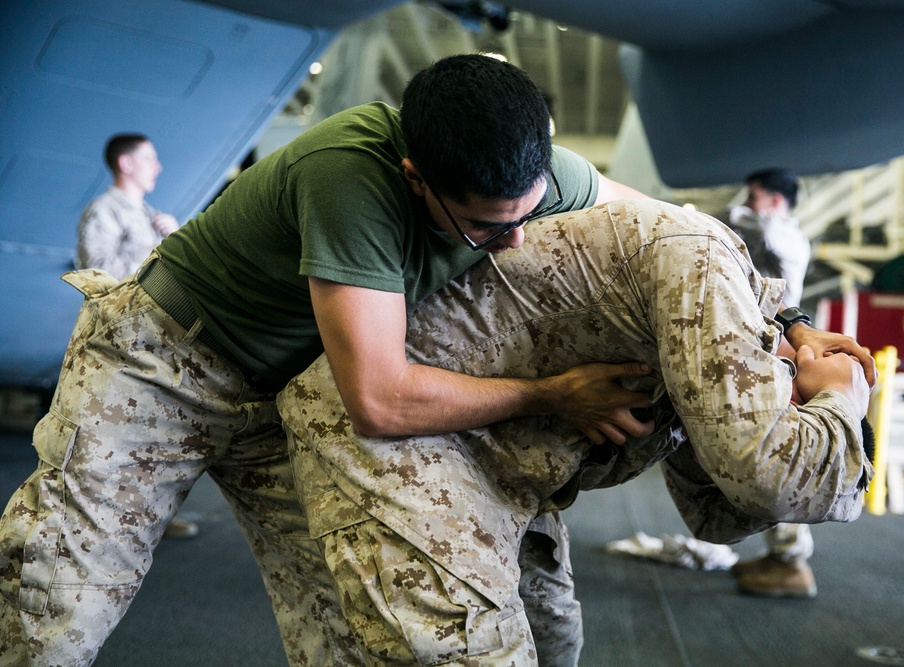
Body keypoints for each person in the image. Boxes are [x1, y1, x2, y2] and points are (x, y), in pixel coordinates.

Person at [0, 54, 655, 666]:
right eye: (483, 227)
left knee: (357, 620)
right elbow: (381, 399)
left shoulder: (524, 175)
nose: (513, 240)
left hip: (291, 395)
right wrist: (552, 393)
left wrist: (756, 307)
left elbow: (667, 225)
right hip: (162, 364)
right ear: (414, 178)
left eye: (528, 212)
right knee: (55, 602)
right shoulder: (349, 173)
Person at [278, 198, 876, 665]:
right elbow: (771, 479)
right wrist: (841, 395)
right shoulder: (706, 280)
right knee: (466, 653)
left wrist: (798, 332)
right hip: (398, 439)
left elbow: (716, 516)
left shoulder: (748, 327)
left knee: (552, 641)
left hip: (499, 457)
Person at [74, 133, 197, 541]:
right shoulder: (106, 210)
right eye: (149, 158)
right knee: (115, 440)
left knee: (155, 438)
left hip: (153, 340)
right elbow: (97, 274)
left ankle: (147, 520)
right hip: (121, 341)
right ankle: (103, 527)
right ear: (126, 164)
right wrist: (154, 249)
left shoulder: (147, 212)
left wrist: (172, 237)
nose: (157, 166)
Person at [725, 168, 820, 599]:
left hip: (771, 361)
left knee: (769, 456)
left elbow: (754, 229)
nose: (748, 202)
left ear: (777, 202)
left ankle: (792, 561)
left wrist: (734, 212)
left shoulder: (784, 236)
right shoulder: (770, 232)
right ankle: (781, 554)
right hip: (753, 357)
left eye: (756, 196)